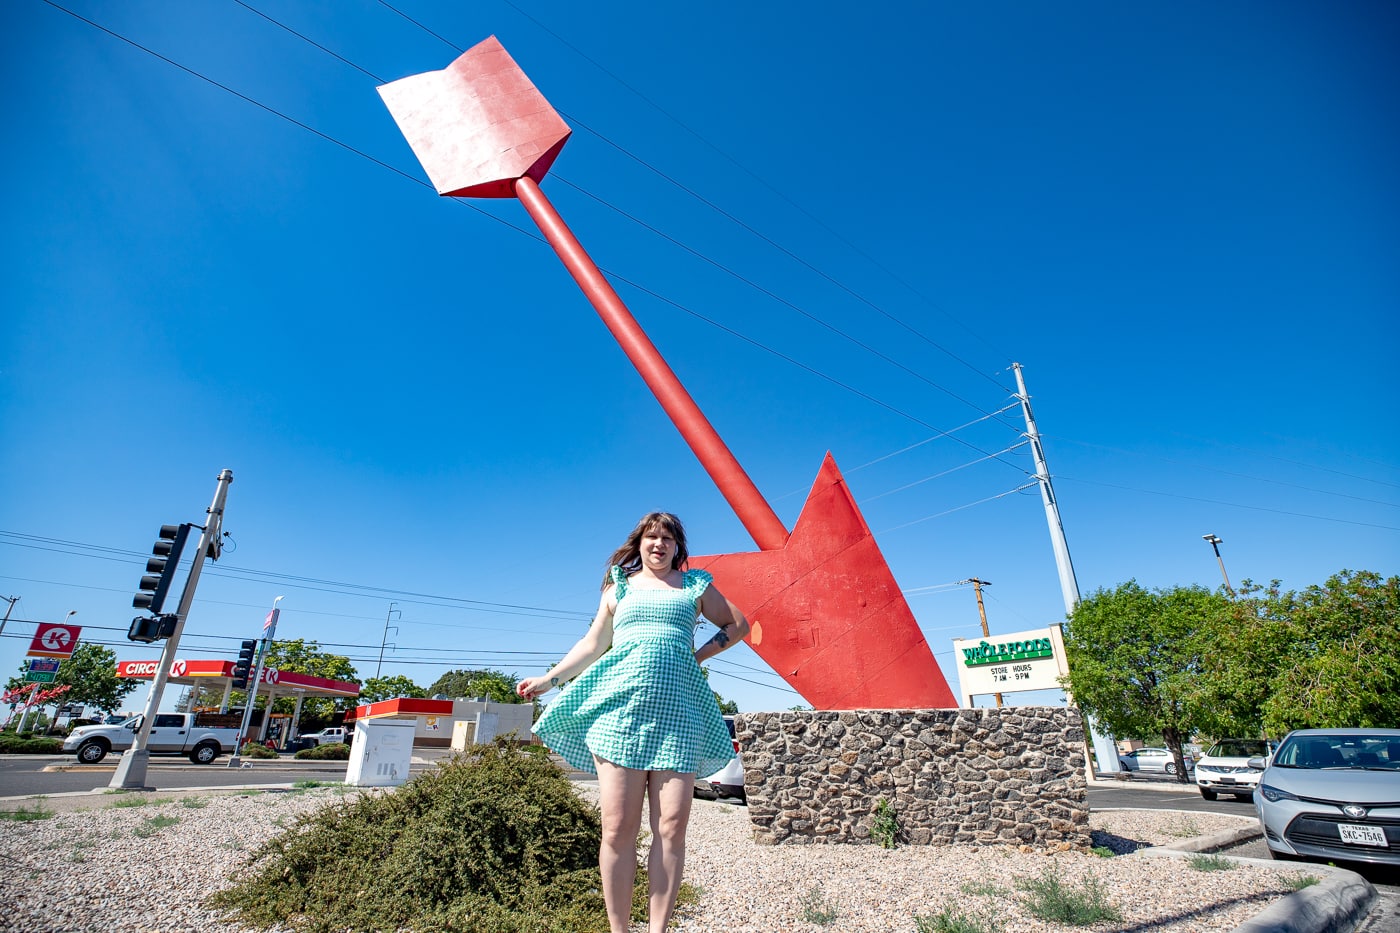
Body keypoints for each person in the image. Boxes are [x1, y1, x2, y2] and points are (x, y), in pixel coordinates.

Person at [517, 512, 749, 933]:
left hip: (678, 719)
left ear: (678, 547)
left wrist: (695, 657)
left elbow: (738, 624)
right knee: (618, 829)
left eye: (667, 538)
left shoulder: (694, 585)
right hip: (619, 717)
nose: (658, 544)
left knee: (671, 828)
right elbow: (593, 644)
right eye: (651, 536)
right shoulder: (617, 588)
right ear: (639, 543)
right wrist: (548, 679)